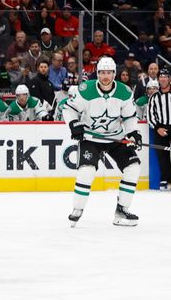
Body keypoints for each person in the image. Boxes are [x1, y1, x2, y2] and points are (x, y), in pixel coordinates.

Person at [64, 56, 141, 227]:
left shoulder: (125, 92)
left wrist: (133, 133)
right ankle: (77, 209)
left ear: (115, 74)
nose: (105, 76)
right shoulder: (85, 89)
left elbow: (129, 117)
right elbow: (68, 109)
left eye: (109, 73)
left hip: (116, 138)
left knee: (133, 167)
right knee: (87, 171)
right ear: (97, 74)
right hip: (91, 137)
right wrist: (74, 124)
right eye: (102, 73)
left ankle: (122, 210)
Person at [146, 68, 171, 190]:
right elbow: (150, 115)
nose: (163, 79)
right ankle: (166, 179)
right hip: (160, 128)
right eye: (161, 76)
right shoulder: (154, 96)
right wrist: (157, 128)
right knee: (162, 155)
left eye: (165, 76)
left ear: (169, 79)